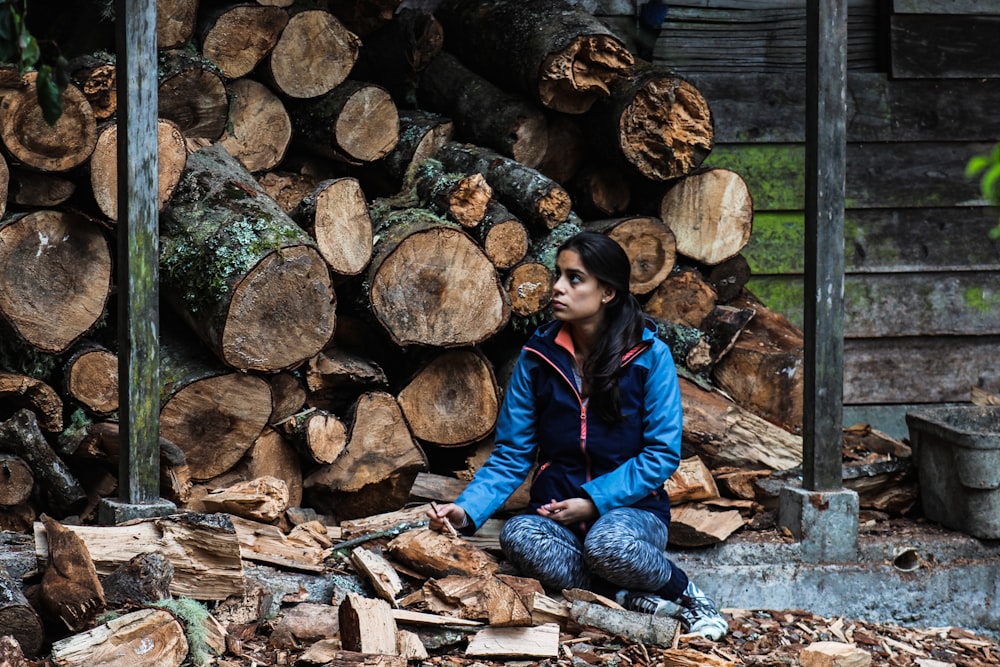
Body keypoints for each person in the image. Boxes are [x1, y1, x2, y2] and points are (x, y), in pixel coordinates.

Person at [427, 231, 728, 640]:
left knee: (607, 545)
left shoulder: (649, 356)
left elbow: (660, 454)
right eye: (558, 275)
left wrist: (593, 501)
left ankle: (688, 595)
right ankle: (621, 594)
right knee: (518, 535)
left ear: (606, 292)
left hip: (634, 515)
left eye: (574, 278)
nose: (557, 287)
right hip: (556, 512)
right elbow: (513, 452)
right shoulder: (537, 358)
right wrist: (466, 511)